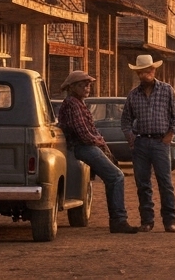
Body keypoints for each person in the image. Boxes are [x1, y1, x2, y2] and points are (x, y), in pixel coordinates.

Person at [57, 70, 139, 234]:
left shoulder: (78, 103)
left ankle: (118, 219)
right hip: (81, 147)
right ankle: (118, 220)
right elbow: (82, 133)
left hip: (84, 146)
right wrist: (99, 141)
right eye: (83, 85)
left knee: (114, 176)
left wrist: (99, 141)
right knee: (116, 177)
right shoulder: (73, 104)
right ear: (72, 87)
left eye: (88, 85)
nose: (87, 88)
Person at [120, 54, 175, 233]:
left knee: (165, 182)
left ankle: (170, 221)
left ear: (153, 70)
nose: (144, 74)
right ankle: (147, 221)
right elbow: (125, 121)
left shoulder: (167, 90)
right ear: (137, 73)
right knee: (143, 184)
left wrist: (170, 135)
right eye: (140, 72)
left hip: (160, 142)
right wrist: (132, 139)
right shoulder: (133, 95)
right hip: (141, 143)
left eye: (147, 71)